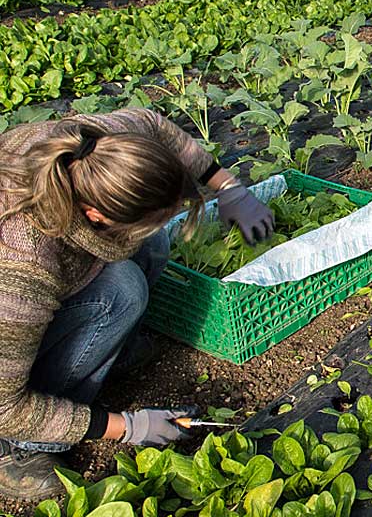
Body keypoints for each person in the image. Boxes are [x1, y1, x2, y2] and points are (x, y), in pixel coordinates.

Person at [0, 108, 274, 499]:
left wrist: (228, 186)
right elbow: (6, 407)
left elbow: (157, 126)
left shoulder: (100, 145)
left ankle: (105, 351)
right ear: (95, 214)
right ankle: (21, 450)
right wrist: (128, 427)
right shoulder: (22, 263)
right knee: (121, 293)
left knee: (153, 241)